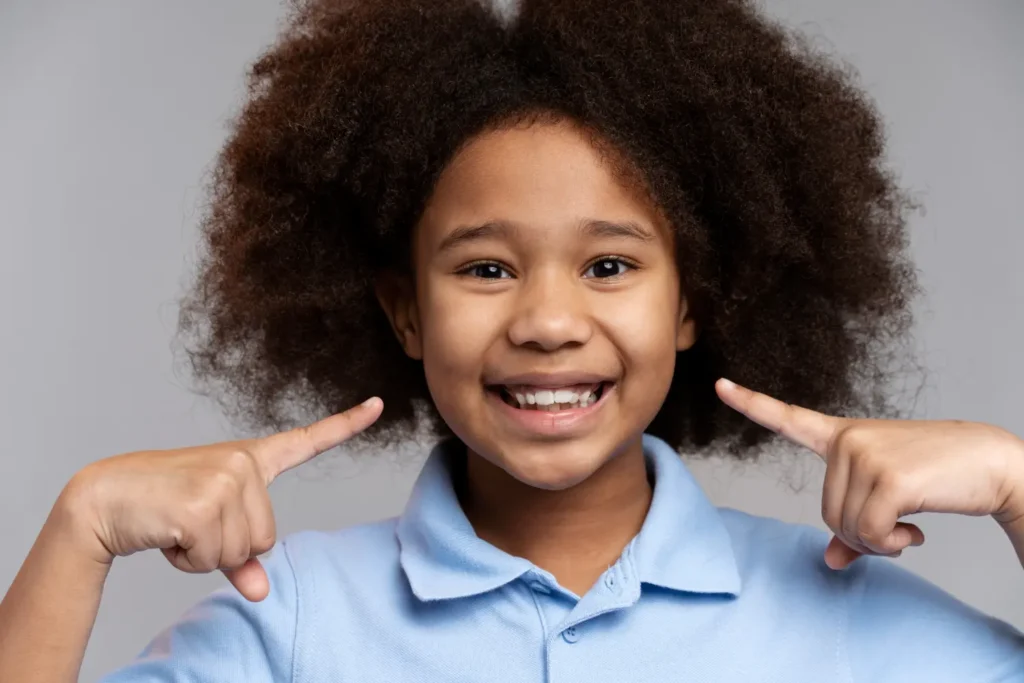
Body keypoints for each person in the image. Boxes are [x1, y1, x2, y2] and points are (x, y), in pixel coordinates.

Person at [2, 0, 1023, 680]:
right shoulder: (291, 625)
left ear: (690, 305)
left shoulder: (856, 626)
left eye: (609, 266)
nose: (543, 320)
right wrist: (80, 525)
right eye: (484, 268)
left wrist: (1017, 487)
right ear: (405, 310)